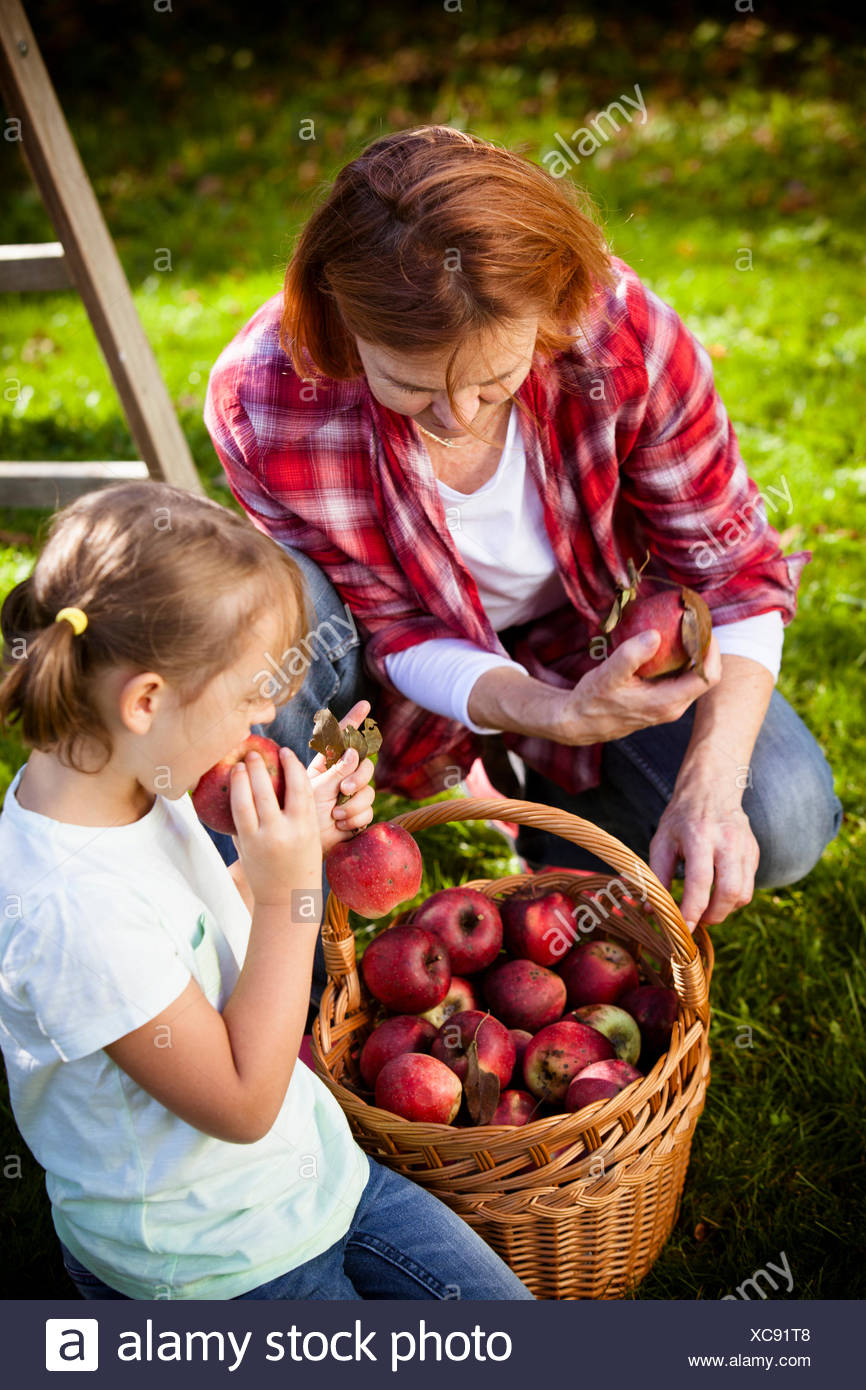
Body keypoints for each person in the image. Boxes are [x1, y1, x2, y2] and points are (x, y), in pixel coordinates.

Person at [204, 123, 841, 961]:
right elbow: (390, 627)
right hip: (378, 672)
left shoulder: (620, 334)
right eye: (410, 386)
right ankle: (272, 933)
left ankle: (555, 823)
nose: (456, 417)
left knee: (783, 814)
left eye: (494, 382)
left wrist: (708, 789)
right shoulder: (266, 398)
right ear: (340, 322)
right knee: (257, 607)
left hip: (593, 637)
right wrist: (548, 712)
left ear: (552, 317)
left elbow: (733, 575)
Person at [0, 482, 534, 1302]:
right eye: (252, 700)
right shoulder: (72, 912)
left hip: (321, 1180)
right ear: (145, 702)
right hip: (216, 1264)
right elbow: (244, 1100)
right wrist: (295, 893)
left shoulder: (144, 786)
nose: (263, 725)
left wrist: (290, 851)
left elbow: (210, 930)